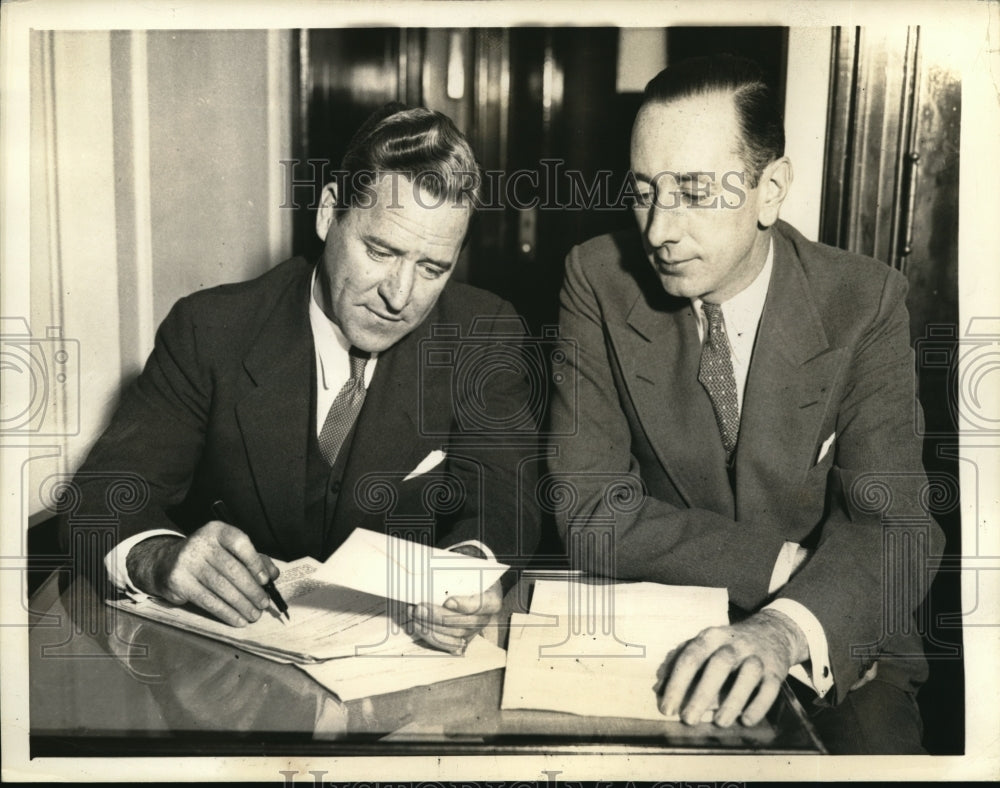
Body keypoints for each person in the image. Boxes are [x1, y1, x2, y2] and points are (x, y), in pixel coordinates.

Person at [548, 54, 943, 754]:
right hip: (661, 622)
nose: (658, 230)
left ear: (770, 191)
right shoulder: (597, 279)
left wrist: (787, 624)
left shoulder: (864, 302)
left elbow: (896, 528)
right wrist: (783, 565)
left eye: (694, 192)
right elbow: (589, 509)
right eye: (644, 192)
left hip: (835, 633)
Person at [60, 104, 539, 655]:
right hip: (228, 668)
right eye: (380, 251)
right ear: (328, 213)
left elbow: (507, 501)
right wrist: (161, 558)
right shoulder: (210, 330)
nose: (399, 295)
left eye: (433, 268)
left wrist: (468, 573)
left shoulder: (483, 334)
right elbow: (99, 497)